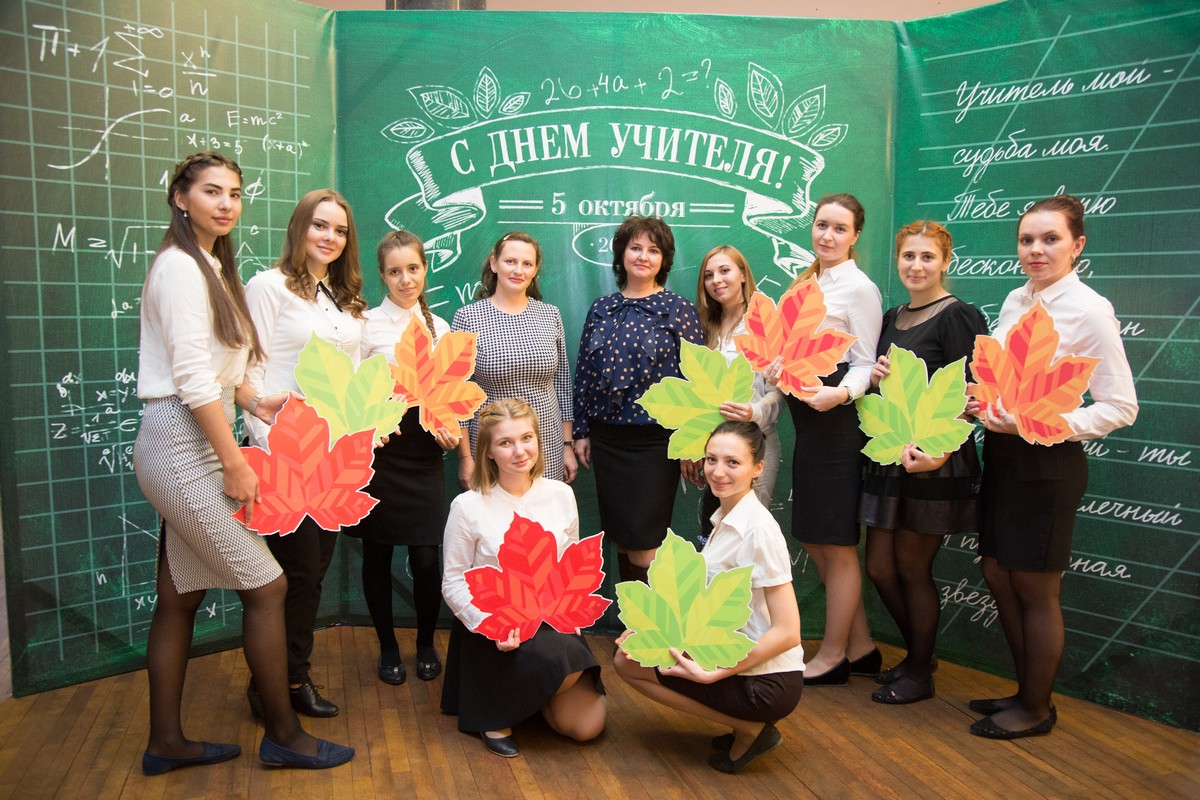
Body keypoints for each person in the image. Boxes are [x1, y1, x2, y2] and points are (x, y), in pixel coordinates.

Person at [133, 152, 353, 773]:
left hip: (192, 439)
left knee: (180, 597)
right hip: (181, 445)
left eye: (233, 192)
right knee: (270, 585)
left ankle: (165, 743)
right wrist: (234, 461)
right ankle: (283, 734)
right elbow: (191, 379)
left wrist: (259, 400)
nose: (226, 203)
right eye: (211, 192)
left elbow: (224, 374)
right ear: (181, 198)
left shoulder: (209, 265)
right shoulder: (181, 268)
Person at [968, 195, 1137, 739]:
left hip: (1048, 465)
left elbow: (1120, 407)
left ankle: (1036, 709)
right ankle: (1026, 691)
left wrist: (1037, 423)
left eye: (1050, 239)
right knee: (998, 573)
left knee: (1035, 588)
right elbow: (1007, 382)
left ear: (1077, 245)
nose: (1035, 250)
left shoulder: (1089, 309)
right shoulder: (1016, 299)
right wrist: (983, 404)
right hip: (1003, 457)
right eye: (1026, 240)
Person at [615, 421, 804, 775]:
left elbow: (788, 632)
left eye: (733, 462)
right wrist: (651, 630)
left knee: (628, 666)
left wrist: (714, 674)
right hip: (729, 655)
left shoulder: (758, 531)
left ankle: (751, 729)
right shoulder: (724, 518)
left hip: (767, 680)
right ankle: (741, 723)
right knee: (628, 658)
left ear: (757, 468)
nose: (717, 472)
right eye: (712, 459)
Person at [243, 188, 367, 718]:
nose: (329, 237)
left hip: (333, 460)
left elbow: (351, 378)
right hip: (284, 456)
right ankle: (279, 686)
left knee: (314, 572)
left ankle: (289, 678)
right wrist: (266, 442)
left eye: (340, 230)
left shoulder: (340, 298)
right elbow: (247, 370)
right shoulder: (267, 286)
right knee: (292, 575)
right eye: (320, 225)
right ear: (299, 227)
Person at [859, 221, 987, 704]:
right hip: (892, 455)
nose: (916, 266)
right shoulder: (892, 316)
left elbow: (971, 394)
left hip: (934, 460)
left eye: (927, 257)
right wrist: (876, 377)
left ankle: (918, 671)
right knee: (879, 567)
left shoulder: (959, 316)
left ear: (945, 262)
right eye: (908, 256)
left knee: (912, 568)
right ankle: (920, 653)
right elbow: (888, 385)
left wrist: (939, 453)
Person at [441, 399, 607, 758]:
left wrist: (572, 612)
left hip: (552, 622)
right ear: (488, 451)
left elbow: (570, 563)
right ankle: (496, 709)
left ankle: (532, 698)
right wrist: (490, 626)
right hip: (498, 627)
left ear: (538, 440)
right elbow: (453, 582)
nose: (519, 451)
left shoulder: (561, 494)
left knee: (586, 727)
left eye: (526, 438)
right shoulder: (468, 506)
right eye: (506, 442)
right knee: (557, 661)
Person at [764, 193, 882, 685]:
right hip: (809, 429)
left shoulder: (860, 288)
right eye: (821, 225)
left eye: (839, 228)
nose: (828, 235)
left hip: (837, 427)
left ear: (855, 236)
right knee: (815, 537)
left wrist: (842, 394)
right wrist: (777, 368)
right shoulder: (806, 283)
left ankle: (832, 657)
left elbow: (866, 362)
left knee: (836, 543)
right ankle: (862, 647)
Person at [346, 231, 459, 686]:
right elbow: (351, 390)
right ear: (382, 275)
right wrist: (370, 420)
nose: (405, 279)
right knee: (377, 555)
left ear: (425, 269)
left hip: (425, 456)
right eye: (395, 271)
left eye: (413, 268)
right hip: (382, 453)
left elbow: (450, 396)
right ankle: (388, 647)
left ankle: (426, 642)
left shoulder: (441, 328)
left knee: (427, 560)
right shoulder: (365, 324)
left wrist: (451, 432)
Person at [573, 216, 704, 582]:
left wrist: (692, 442)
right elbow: (584, 372)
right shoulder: (601, 308)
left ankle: (648, 618)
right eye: (635, 248)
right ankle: (631, 615)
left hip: (655, 443)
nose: (643, 256)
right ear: (621, 254)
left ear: (664, 260)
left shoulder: (678, 309)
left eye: (653, 250)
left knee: (646, 542)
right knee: (622, 539)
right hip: (606, 440)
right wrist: (581, 432)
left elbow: (695, 380)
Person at [453, 232, 576, 485]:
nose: (518, 270)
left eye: (527, 263)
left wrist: (567, 445)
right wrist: (465, 457)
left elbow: (563, 384)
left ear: (535, 270)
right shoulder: (467, 318)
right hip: (493, 445)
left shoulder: (550, 315)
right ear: (494, 263)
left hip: (545, 442)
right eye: (510, 261)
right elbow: (456, 394)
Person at [694, 245, 784, 535]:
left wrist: (753, 412)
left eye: (725, 271)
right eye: (709, 275)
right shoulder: (704, 328)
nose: (716, 280)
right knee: (714, 534)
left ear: (743, 274)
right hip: (715, 449)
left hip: (756, 443)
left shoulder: (765, 323)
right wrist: (692, 446)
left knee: (748, 534)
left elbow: (780, 392)